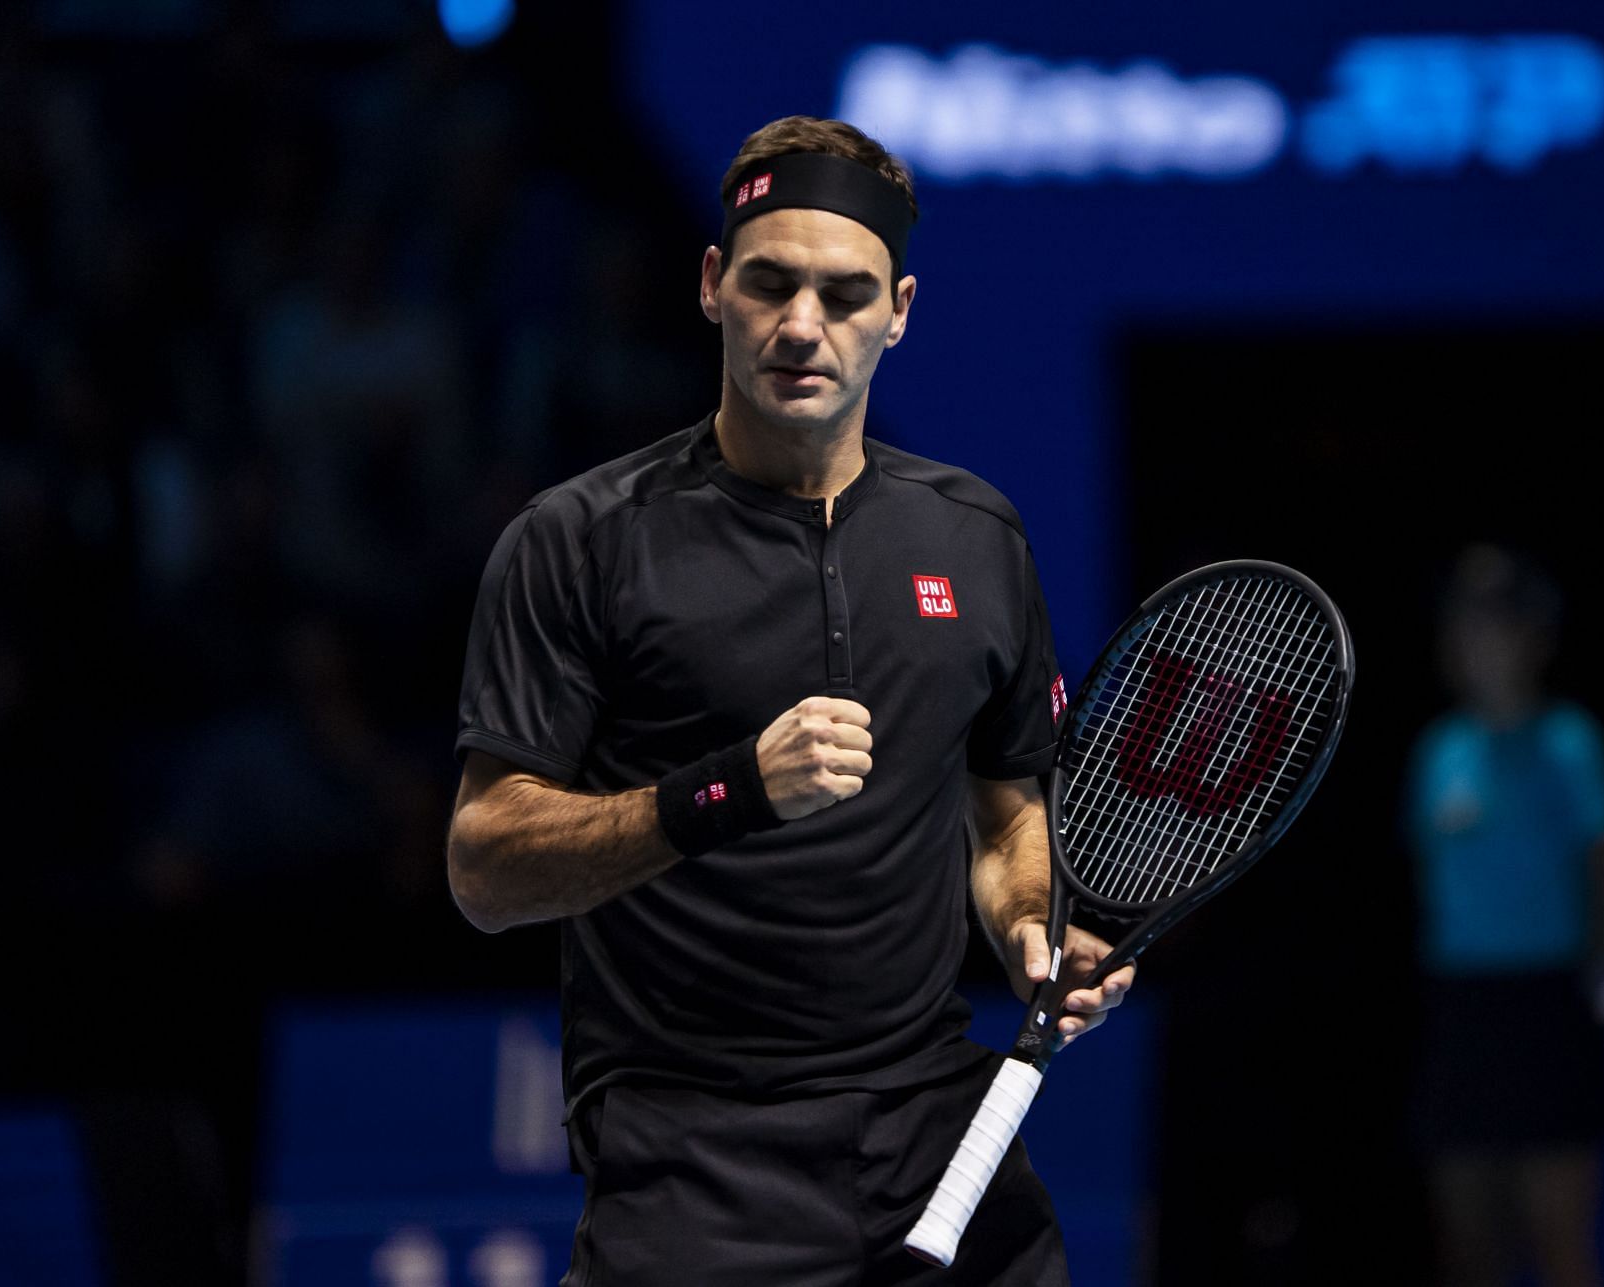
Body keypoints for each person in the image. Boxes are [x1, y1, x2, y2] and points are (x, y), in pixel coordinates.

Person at [445, 116, 1134, 1285]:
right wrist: (725, 791)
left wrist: (1031, 920)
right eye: (771, 283)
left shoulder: (975, 537)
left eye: (847, 293)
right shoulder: (577, 542)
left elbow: (1007, 811)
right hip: (690, 1148)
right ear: (715, 285)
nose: (803, 326)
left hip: (931, 1122)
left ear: (900, 311)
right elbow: (484, 867)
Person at [1404, 545, 1604, 1287]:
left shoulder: (1572, 743)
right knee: (1470, 1246)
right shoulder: (1437, 749)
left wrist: (1593, 971)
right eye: (1466, 622)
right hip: (1461, 1008)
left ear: (1536, 637)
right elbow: (1427, 880)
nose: (1479, 639)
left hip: (1546, 1003)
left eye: (1499, 623)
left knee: (1559, 1243)